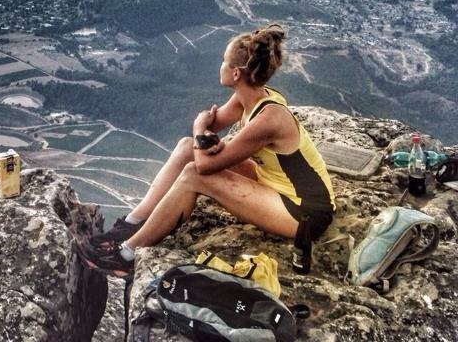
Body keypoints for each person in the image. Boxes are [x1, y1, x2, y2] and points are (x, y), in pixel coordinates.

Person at [77, 23, 335, 276]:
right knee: (186, 147)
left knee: (193, 175)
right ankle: (131, 224)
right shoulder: (250, 97)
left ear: (236, 74)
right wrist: (204, 134)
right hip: (274, 184)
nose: (220, 65)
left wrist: (199, 126)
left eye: (224, 61)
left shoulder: (269, 119)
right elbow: (213, 126)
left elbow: (204, 165)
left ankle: (126, 255)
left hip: (304, 213)